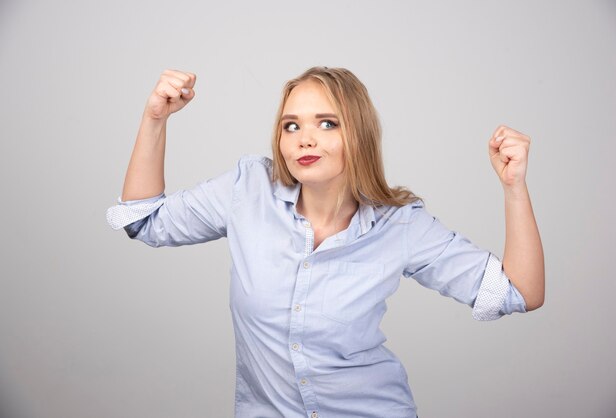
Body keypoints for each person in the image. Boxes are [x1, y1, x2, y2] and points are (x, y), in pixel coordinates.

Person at [106, 67, 544, 418]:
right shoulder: (248, 189)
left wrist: (514, 187)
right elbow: (144, 220)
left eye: (327, 123)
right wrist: (155, 119)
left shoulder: (400, 225)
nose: (305, 139)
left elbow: (519, 292)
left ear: (359, 135)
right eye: (291, 125)